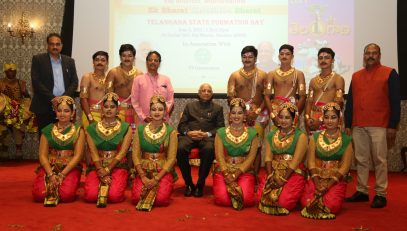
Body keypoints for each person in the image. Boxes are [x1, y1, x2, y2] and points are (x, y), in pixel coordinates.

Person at [344, 43, 400, 208]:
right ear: (363, 55)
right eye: (367, 53)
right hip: (358, 124)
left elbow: (395, 101)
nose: (370, 56)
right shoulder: (355, 76)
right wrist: (348, 123)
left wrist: (392, 125)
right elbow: (351, 101)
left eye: (374, 53)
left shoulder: (389, 73)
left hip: (380, 124)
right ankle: (362, 191)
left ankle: (381, 194)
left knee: (379, 160)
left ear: (379, 55)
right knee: (361, 160)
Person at [301, 102, 353, 219]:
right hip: (317, 178)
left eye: (333, 117)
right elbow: (311, 162)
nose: (329, 121)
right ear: (322, 119)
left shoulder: (346, 140)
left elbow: (344, 167)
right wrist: (317, 183)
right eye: (326, 117)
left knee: (332, 206)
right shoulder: (315, 137)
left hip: (335, 180)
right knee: (306, 202)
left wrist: (328, 185)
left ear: (339, 119)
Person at [32, 96, 85, 206]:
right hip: (50, 167)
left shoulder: (79, 130)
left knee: (66, 195)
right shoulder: (47, 130)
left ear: (73, 113)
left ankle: (69, 184)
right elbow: (42, 155)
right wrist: (51, 175)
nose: (62, 114)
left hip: (69, 167)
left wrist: (61, 175)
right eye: (59, 110)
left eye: (66, 111)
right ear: (55, 112)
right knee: (39, 195)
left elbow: (78, 155)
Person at [83, 92, 132, 207]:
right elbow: (93, 152)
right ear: (101, 109)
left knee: (114, 196)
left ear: (117, 110)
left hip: (117, 165)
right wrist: (101, 170)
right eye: (106, 107)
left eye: (112, 107)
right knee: (91, 196)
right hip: (97, 166)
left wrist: (108, 169)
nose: (109, 109)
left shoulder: (126, 128)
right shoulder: (91, 129)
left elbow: (123, 152)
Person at [258, 102, 307, 215]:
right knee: (261, 198)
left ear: (294, 119)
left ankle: (298, 192)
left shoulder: (301, 136)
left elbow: (295, 162)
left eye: (287, 118)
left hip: (292, 172)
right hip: (274, 171)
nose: (283, 121)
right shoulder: (272, 134)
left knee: (284, 203)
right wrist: (270, 177)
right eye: (281, 117)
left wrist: (283, 180)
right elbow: (268, 158)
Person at [177, 83, 225, 197]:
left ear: (212, 94)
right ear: (199, 93)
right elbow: (181, 125)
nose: (206, 93)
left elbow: (221, 127)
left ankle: (200, 183)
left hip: (207, 138)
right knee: (180, 149)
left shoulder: (218, 108)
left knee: (209, 149)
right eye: (203, 91)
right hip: (190, 136)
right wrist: (189, 132)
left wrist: (207, 134)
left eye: (209, 91)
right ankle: (188, 183)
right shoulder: (189, 106)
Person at [131, 95, 177, 211]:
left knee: (161, 200)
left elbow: (171, 159)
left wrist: (156, 179)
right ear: (149, 111)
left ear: (165, 112)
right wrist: (142, 175)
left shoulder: (171, 132)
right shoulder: (140, 130)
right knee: (137, 198)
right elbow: (135, 155)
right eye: (154, 109)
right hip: (144, 169)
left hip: (162, 170)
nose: (157, 112)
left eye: (160, 109)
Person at [227, 45, 267, 175]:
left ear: (255, 58)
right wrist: (243, 113)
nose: (247, 59)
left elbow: (267, 97)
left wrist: (256, 112)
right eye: (244, 56)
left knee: (257, 146)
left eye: (250, 56)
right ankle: (238, 172)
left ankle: (254, 175)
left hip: (259, 115)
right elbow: (230, 97)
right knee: (239, 145)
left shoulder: (263, 75)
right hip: (239, 115)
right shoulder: (235, 75)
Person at [213, 98, 259, 210]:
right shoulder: (221, 132)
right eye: (233, 113)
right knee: (222, 200)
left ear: (244, 116)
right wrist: (227, 174)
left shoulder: (253, 133)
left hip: (244, 170)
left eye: (240, 113)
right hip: (224, 170)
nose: (236, 116)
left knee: (246, 199)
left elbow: (251, 158)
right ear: (229, 115)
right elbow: (219, 156)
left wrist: (236, 174)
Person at [30, 33, 78, 133]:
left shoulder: (69, 61)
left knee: (65, 135)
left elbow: (74, 81)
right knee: (45, 137)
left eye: (57, 44)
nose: (55, 47)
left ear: (61, 45)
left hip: (65, 107)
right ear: (47, 46)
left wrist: (63, 99)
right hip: (44, 105)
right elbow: (36, 81)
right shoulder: (38, 59)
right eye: (52, 44)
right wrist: (52, 98)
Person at [264, 44, 306, 127]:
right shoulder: (271, 74)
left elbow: (302, 96)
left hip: (292, 111)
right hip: (276, 111)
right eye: (282, 54)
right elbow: (266, 96)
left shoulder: (299, 74)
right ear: (278, 56)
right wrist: (272, 115)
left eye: (287, 54)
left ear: (292, 56)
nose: (284, 56)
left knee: (292, 138)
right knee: (274, 137)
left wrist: (295, 114)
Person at [304, 47, 345, 135]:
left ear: (332, 60)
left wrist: (322, 119)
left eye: (327, 57)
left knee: (328, 146)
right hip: (313, 117)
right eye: (321, 58)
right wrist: (307, 118)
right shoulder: (313, 80)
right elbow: (309, 101)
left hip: (330, 118)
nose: (323, 60)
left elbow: (339, 102)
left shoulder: (338, 79)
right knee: (313, 146)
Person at [0, 63, 35, 158]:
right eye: (8, 71)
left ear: (16, 72)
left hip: (17, 111)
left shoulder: (21, 83)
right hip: (4, 111)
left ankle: (19, 150)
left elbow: (27, 98)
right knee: (3, 129)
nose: (11, 73)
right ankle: (4, 150)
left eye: (13, 71)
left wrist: (24, 92)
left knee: (19, 127)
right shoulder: (1, 82)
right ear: (5, 72)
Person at [131, 51, 174, 124]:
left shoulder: (166, 79)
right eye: (150, 60)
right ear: (146, 62)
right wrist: (143, 117)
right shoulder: (138, 79)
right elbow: (134, 101)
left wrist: (162, 114)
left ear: (159, 63)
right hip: (144, 121)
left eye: (156, 60)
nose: (153, 62)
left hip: (162, 120)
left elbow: (170, 100)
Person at [106, 44, 143, 129]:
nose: (127, 58)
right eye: (124, 56)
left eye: (130, 56)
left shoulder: (139, 73)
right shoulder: (113, 72)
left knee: (134, 137)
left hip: (135, 111)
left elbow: (142, 95)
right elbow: (108, 93)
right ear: (120, 57)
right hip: (119, 110)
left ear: (134, 57)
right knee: (119, 136)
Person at [80, 51, 109, 128]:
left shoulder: (109, 79)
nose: (100, 62)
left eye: (103, 60)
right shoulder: (87, 77)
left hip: (106, 115)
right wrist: (90, 118)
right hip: (91, 113)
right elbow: (83, 99)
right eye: (97, 60)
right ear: (93, 62)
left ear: (107, 63)